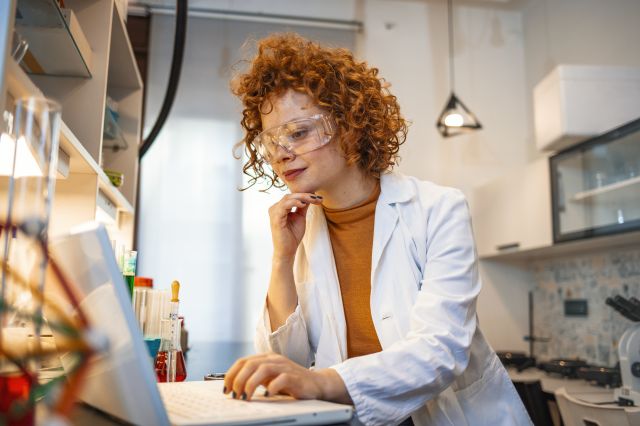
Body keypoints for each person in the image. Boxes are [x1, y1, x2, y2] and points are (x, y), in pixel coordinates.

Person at [224, 33, 532, 426]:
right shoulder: (300, 228)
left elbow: (441, 349)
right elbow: (291, 365)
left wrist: (320, 383)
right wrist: (282, 257)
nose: (281, 153)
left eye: (298, 133)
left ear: (350, 125)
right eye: (271, 141)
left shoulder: (438, 209)